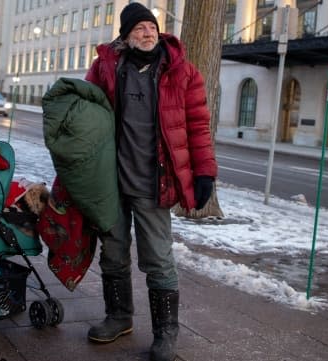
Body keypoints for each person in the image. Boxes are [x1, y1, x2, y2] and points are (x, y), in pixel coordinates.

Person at [85, 3, 217, 361]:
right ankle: (119, 317)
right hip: (111, 181)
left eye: (151, 27)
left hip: (153, 182)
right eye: (139, 28)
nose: (147, 33)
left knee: (158, 258)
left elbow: (198, 127)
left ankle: (165, 333)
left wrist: (205, 172)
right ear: (126, 35)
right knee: (112, 253)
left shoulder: (182, 73)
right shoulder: (106, 67)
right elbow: (85, 115)